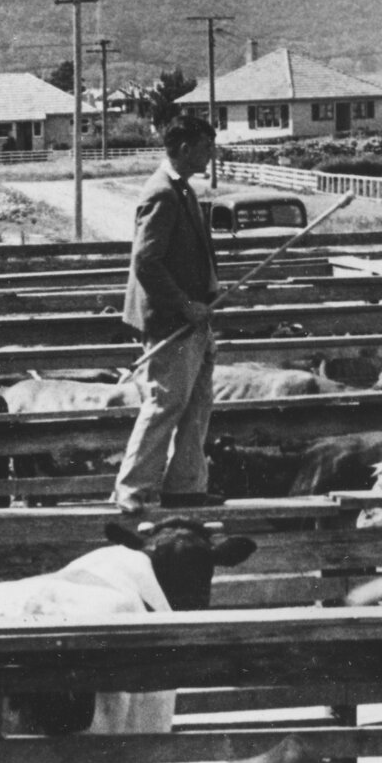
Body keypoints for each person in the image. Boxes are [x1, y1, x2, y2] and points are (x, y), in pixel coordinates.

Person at [111, 113, 221, 516]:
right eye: (206, 147)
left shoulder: (184, 190)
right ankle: (132, 490)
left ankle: (186, 488)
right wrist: (183, 304)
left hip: (196, 318)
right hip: (172, 321)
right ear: (185, 148)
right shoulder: (162, 193)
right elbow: (146, 262)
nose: (211, 155)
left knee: (197, 404)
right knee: (164, 404)